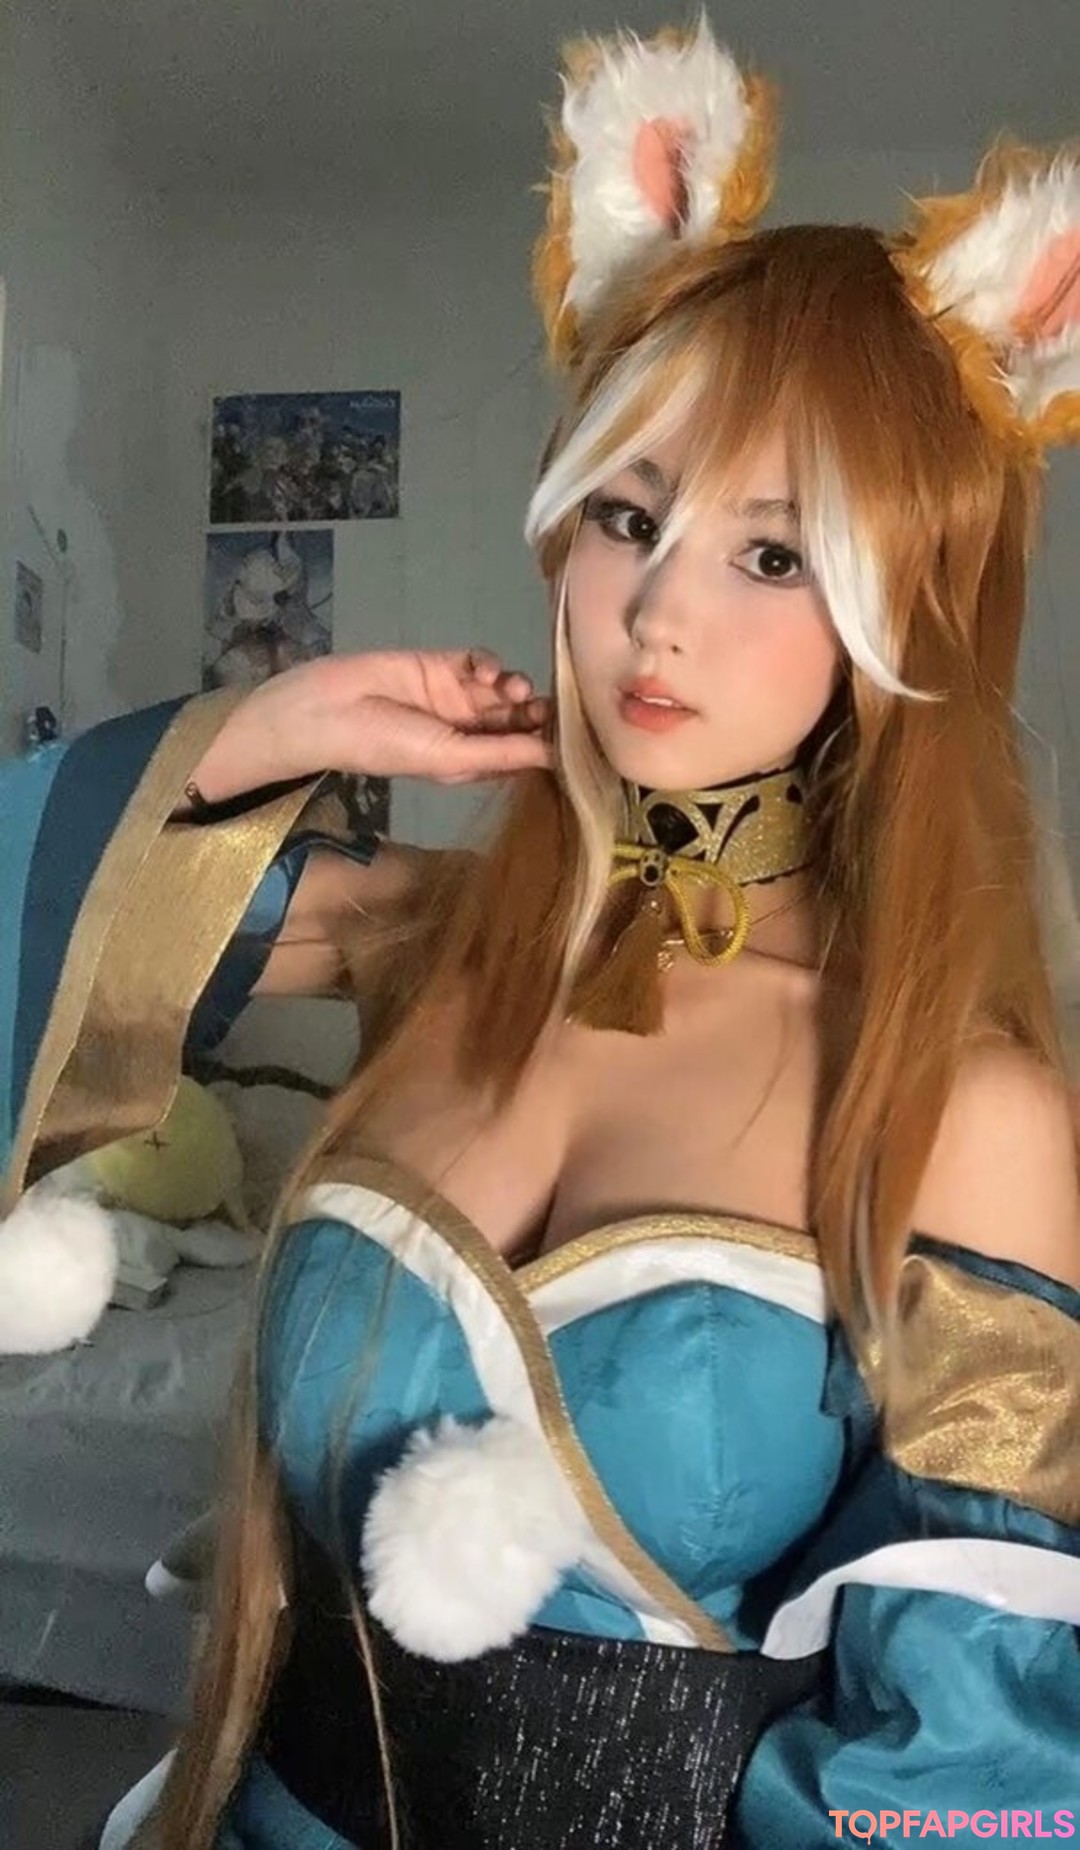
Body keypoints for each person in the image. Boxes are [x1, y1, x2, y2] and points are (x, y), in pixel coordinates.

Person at [3, 17, 1080, 1849]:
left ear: (904, 611)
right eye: (627, 514)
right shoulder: (430, 941)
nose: (659, 613)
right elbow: (47, 928)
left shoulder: (961, 1109)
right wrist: (259, 730)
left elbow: (965, 1769)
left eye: (773, 552)